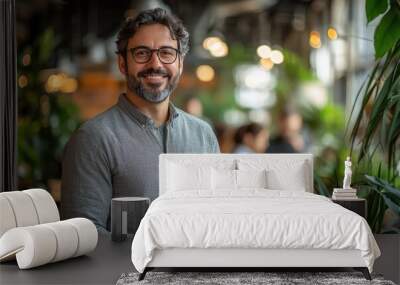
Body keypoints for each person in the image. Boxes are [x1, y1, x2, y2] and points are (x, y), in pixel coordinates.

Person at [61, 8, 219, 233]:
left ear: (180, 64)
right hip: (125, 269)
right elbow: (85, 237)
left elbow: (217, 218)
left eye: (166, 53)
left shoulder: (203, 136)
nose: (155, 64)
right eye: (142, 53)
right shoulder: (93, 139)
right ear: (123, 64)